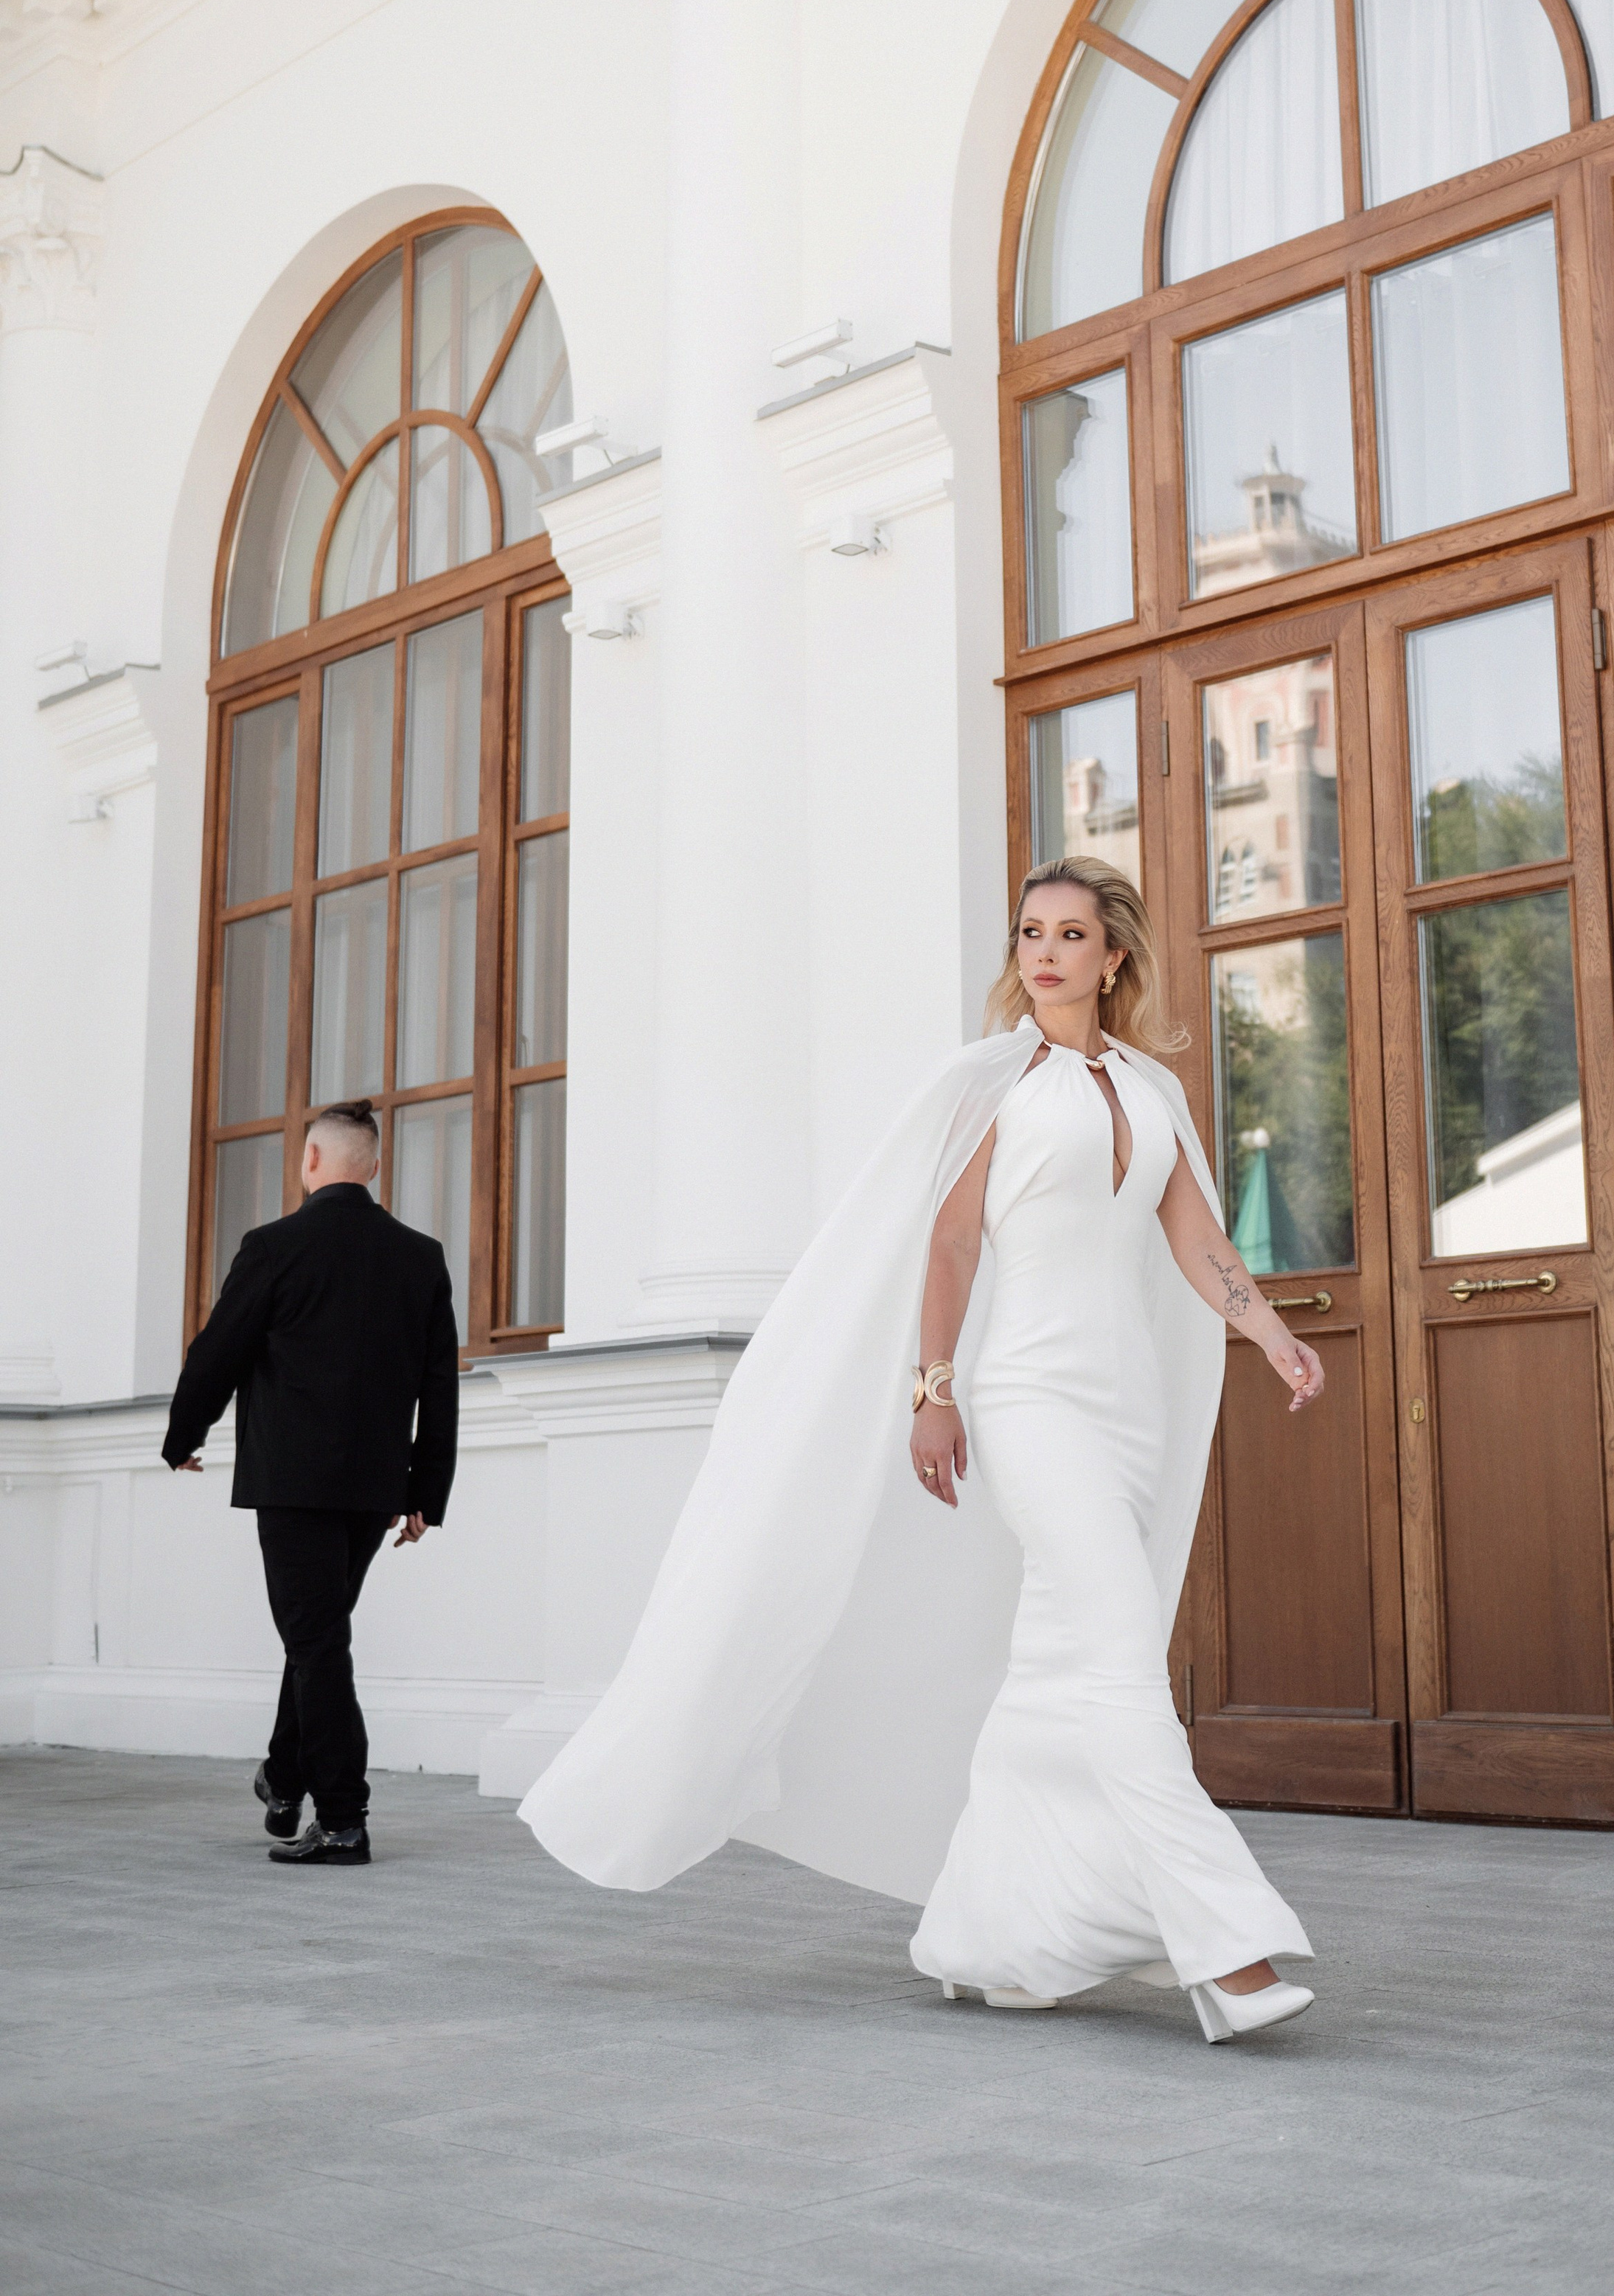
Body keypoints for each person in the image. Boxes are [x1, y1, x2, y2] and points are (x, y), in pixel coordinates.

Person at [522, 860, 1327, 2045]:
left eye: (1070, 935)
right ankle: (1228, 1947)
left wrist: (1266, 1330)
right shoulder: (993, 1082)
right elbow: (948, 1250)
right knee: (1119, 1661)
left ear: (1116, 959)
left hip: (1129, 1411)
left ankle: (995, 1939)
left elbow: (1193, 1229)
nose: (1043, 953)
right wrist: (934, 1390)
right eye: (1029, 933)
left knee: (1062, 1672)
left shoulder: (1151, 1090)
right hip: (1031, 1394)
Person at [162, 1099, 459, 1865]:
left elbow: (216, 1353)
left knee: (318, 1642)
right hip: (372, 1488)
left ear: (312, 1163)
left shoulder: (274, 1247)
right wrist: (424, 1490)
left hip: (292, 1482)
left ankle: (343, 1817)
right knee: (316, 1636)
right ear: (375, 1166)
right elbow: (439, 1385)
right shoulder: (419, 1256)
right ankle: (285, 1779)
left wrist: (183, 1437)